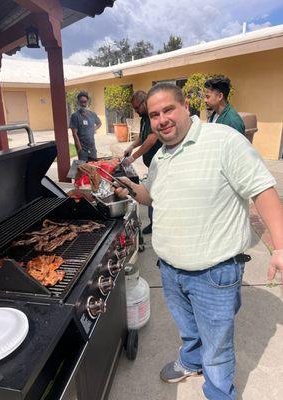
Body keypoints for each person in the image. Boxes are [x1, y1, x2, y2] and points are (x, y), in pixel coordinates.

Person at [115, 82, 283, 400]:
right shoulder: (162, 156)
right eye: (154, 114)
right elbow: (154, 196)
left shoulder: (223, 140)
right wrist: (132, 189)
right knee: (188, 328)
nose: (161, 119)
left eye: (168, 110)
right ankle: (191, 361)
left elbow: (262, 190)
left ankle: (219, 391)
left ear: (186, 108)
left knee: (217, 346)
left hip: (214, 273)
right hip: (170, 268)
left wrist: (280, 247)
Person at [123, 90, 162, 234]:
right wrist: (131, 146)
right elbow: (142, 136)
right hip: (151, 165)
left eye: (137, 108)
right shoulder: (144, 118)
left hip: (159, 165)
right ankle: (154, 223)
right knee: (152, 191)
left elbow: (151, 140)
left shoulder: (154, 116)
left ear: (144, 102)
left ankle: (155, 225)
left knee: (154, 194)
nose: (136, 111)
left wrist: (133, 157)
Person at [69, 91, 102, 161]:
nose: (83, 104)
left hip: (92, 147)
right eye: (81, 102)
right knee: (84, 168)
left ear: (87, 102)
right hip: (82, 148)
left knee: (94, 166)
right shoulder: (75, 116)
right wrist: (79, 148)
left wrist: (94, 129)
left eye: (85, 102)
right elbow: (74, 133)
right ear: (78, 102)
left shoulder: (92, 114)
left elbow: (99, 123)